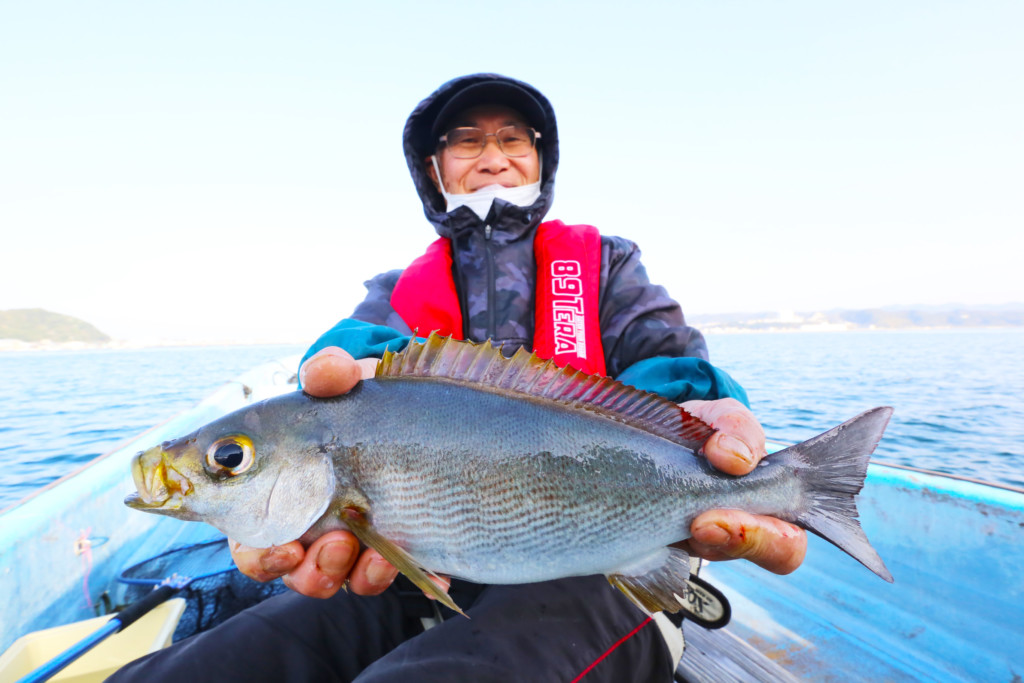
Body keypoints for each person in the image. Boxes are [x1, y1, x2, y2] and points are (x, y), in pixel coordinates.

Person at [111, 74, 806, 682]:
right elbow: (354, 350)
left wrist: (705, 418)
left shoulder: (606, 265)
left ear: (540, 158)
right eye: (467, 141)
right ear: (434, 167)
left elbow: (668, 359)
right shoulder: (396, 290)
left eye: (514, 138)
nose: (493, 156)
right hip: (410, 570)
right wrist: (337, 365)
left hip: (606, 565)